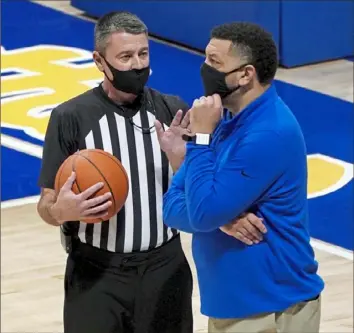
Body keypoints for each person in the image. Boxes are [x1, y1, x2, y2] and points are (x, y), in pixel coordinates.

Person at [162, 22, 325, 333]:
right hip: (239, 304)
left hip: (270, 309)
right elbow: (172, 209)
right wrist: (221, 218)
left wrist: (199, 140)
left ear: (246, 74)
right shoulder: (227, 117)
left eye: (214, 61)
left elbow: (201, 210)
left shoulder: (267, 133)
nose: (204, 68)